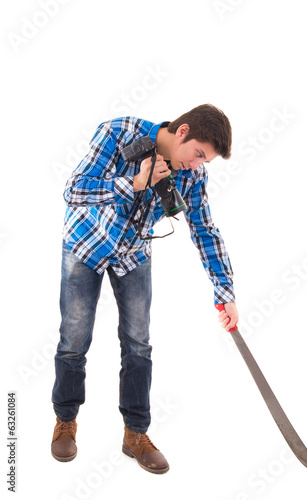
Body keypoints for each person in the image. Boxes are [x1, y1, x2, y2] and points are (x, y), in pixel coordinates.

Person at [51, 103, 239, 473]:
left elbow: (204, 231)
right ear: (182, 131)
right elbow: (74, 189)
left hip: (134, 255)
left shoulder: (191, 175)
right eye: (199, 154)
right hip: (85, 244)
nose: (197, 165)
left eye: (206, 161)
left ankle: (135, 433)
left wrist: (225, 290)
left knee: (138, 343)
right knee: (73, 339)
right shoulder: (119, 131)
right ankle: (65, 421)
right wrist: (134, 183)